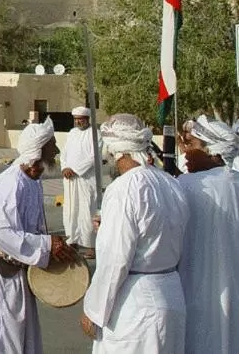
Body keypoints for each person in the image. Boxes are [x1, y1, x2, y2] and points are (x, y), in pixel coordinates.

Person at [81, 114, 189, 353]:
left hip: (136, 305)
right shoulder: (171, 183)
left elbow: (115, 259)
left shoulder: (124, 188)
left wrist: (94, 310)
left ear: (117, 151)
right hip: (172, 296)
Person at [0, 117, 77, 354]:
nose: (57, 151)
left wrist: (54, 245)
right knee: (4, 333)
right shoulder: (12, 183)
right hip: (2, 269)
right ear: (39, 150)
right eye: (52, 146)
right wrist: (47, 244)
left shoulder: (32, 180)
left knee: (19, 332)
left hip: (19, 266)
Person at [175, 115, 239, 354]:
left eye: (192, 146)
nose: (186, 154)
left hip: (196, 292)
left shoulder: (185, 185)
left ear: (214, 153)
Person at [61, 106, 98, 258]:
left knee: (87, 210)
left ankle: (91, 246)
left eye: (81, 119)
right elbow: (64, 153)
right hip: (69, 179)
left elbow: (94, 156)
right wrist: (65, 167)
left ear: (87, 119)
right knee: (71, 210)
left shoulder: (95, 134)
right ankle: (72, 241)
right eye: (76, 119)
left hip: (86, 179)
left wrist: (75, 169)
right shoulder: (72, 133)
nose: (78, 122)